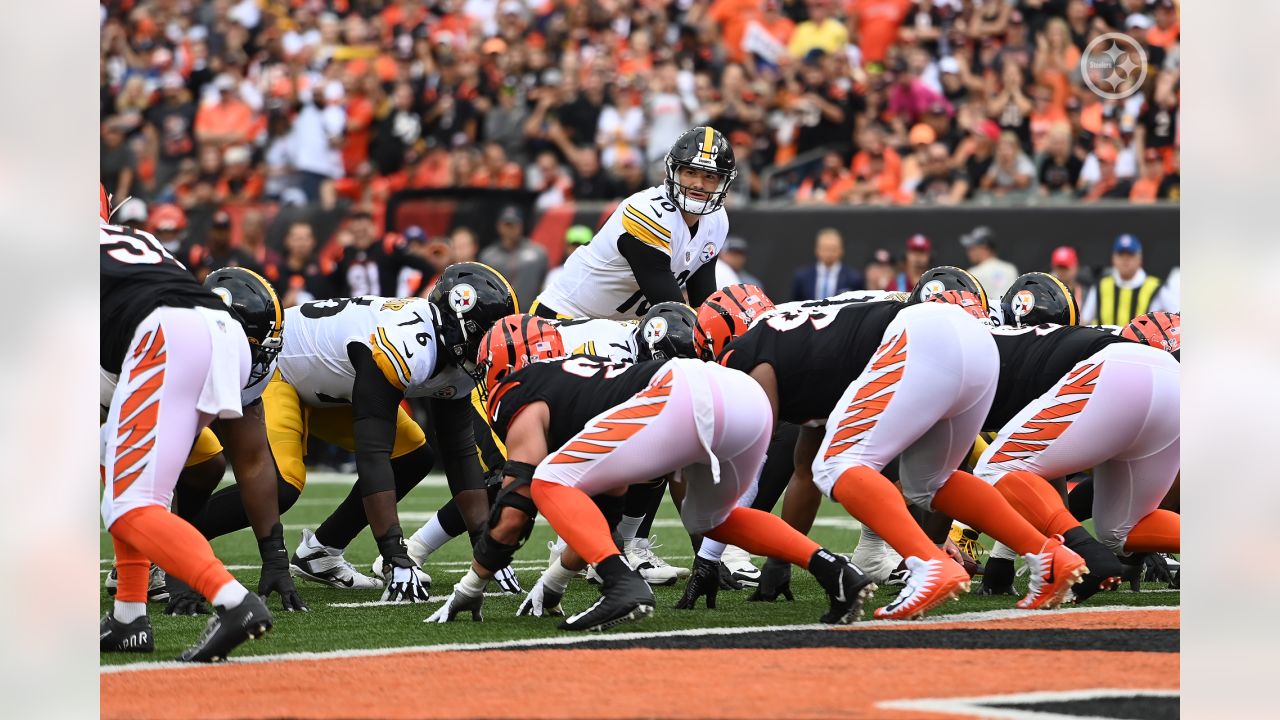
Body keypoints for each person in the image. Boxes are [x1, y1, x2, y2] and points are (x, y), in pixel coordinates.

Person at [427, 315, 873, 630]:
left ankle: (622, 587)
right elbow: (605, 511)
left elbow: (515, 508)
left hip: (681, 391)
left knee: (545, 482)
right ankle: (832, 568)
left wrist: (470, 585)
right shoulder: (583, 387)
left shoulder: (522, 388)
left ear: (500, 365)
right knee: (713, 521)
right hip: (744, 396)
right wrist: (556, 579)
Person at [710, 283, 1087, 619]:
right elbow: (802, 466)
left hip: (921, 337)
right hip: (975, 340)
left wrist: (709, 556)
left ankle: (926, 563)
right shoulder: (805, 348)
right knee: (930, 481)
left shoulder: (747, 352)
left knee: (837, 464)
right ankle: (1046, 554)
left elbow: (753, 452)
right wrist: (779, 561)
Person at [188, 263, 518, 603]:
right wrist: (395, 555)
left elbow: (460, 454)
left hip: (334, 385)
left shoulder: (455, 355)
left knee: (413, 457)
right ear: (457, 322)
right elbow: (372, 454)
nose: (487, 349)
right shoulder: (405, 344)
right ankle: (172, 542)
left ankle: (321, 553)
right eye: (482, 335)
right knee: (281, 485)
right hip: (282, 370)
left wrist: (485, 546)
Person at [99, 193, 283, 662]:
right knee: (114, 462)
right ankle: (128, 617)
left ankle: (233, 601)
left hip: (166, 335)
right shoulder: (129, 238)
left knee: (129, 507)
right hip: (221, 332)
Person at [975, 274, 1179, 601]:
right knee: (1122, 529)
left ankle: (1088, 556)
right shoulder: (1054, 342)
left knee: (994, 468)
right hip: (1169, 380)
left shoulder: (956, 347)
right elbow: (1043, 471)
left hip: (1121, 371)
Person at [531, 126, 736, 321]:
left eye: (709, 176)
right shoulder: (647, 213)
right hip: (566, 316)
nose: (698, 184)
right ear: (674, 172)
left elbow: (702, 301)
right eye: (690, 172)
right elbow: (672, 311)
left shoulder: (716, 220)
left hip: (622, 327)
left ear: (722, 182)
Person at [334, 208, 440, 298]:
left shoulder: (386, 247)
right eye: (357, 232)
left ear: (373, 228)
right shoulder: (344, 253)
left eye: (364, 231)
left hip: (383, 314)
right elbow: (331, 284)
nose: (361, 236)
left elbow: (427, 268)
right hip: (354, 314)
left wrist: (415, 296)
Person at [1080, 234, 1176, 325]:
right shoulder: (1101, 286)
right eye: (1121, 255)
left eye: (1130, 255)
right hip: (1107, 342)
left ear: (1140, 259)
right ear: (1113, 258)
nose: (1125, 260)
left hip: (1141, 343)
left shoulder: (1156, 288)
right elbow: (1084, 321)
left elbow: (1177, 318)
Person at [479, 206, 549, 306]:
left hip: (530, 315)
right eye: (507, 225)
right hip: (499, 315)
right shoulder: (488, 256)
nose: (510, 229)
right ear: (499, 226)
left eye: (514, 225)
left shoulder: (538, 253)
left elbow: (545, 285)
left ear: (521, 226)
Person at [791, 228, 864, 301]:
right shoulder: (802, 277)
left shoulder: (853, 277)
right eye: (825, 248)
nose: (829, 253)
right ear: (817, 250)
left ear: (841, 250)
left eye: (833, 249)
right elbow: (794, 304)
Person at [960, 225, 1018, 299]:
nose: (969, 252)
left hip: (985, 310)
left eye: (972, 248)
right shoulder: (1010, 269)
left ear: (983, 247)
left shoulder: (973, 273)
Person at [543, 225, 592, 293]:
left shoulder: (596, 276)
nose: (576, 249)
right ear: (566, 247)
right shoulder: (554, 275)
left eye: (581, 245)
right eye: (573, 246)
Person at [1049, 245, 1085, 311]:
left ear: (1075, 267)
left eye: (1065, 268)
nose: (1062, 271)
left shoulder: (1086, 290)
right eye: (1059, 267)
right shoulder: (1045, 291)